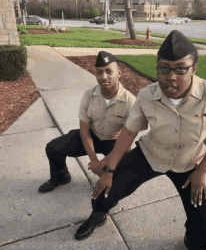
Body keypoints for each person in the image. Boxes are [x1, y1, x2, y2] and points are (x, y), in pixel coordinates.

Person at [75, 30, 206, 250]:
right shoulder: (146, 96)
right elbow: (129, 133)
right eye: (163, 68)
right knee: (104, 191)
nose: (170, 77)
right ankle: (98, 216)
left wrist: (202, 170)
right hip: (150, 154)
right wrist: (109, 170)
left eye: (180, 69)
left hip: (190, 163)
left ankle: (193, 246)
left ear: (194, 68)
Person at [38, 51, 136, 193]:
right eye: (99, 72)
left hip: (116, 142)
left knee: (117, 177)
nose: (103, 77)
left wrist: (103, 164)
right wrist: (94, 160)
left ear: (119, 73)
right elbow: (84, 130)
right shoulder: (89, 95)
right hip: (92, 136)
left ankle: (107, 197)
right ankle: (61, 177)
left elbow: (126, 140)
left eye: (109, 72)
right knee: (53, 148)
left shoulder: (130, 102)